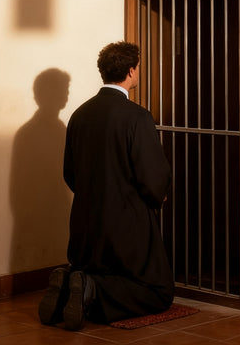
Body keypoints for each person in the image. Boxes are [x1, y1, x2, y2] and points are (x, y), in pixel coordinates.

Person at [38, 41, 174, 330]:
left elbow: (70, 173)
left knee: (94, 272)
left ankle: (71, 285)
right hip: (126, 226)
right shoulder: (137, 116)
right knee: (159, 292)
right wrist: (158, 197)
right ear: (131, 71)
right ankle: (91, 288)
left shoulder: (79, 115)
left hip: (85, 226)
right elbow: (152, 176)